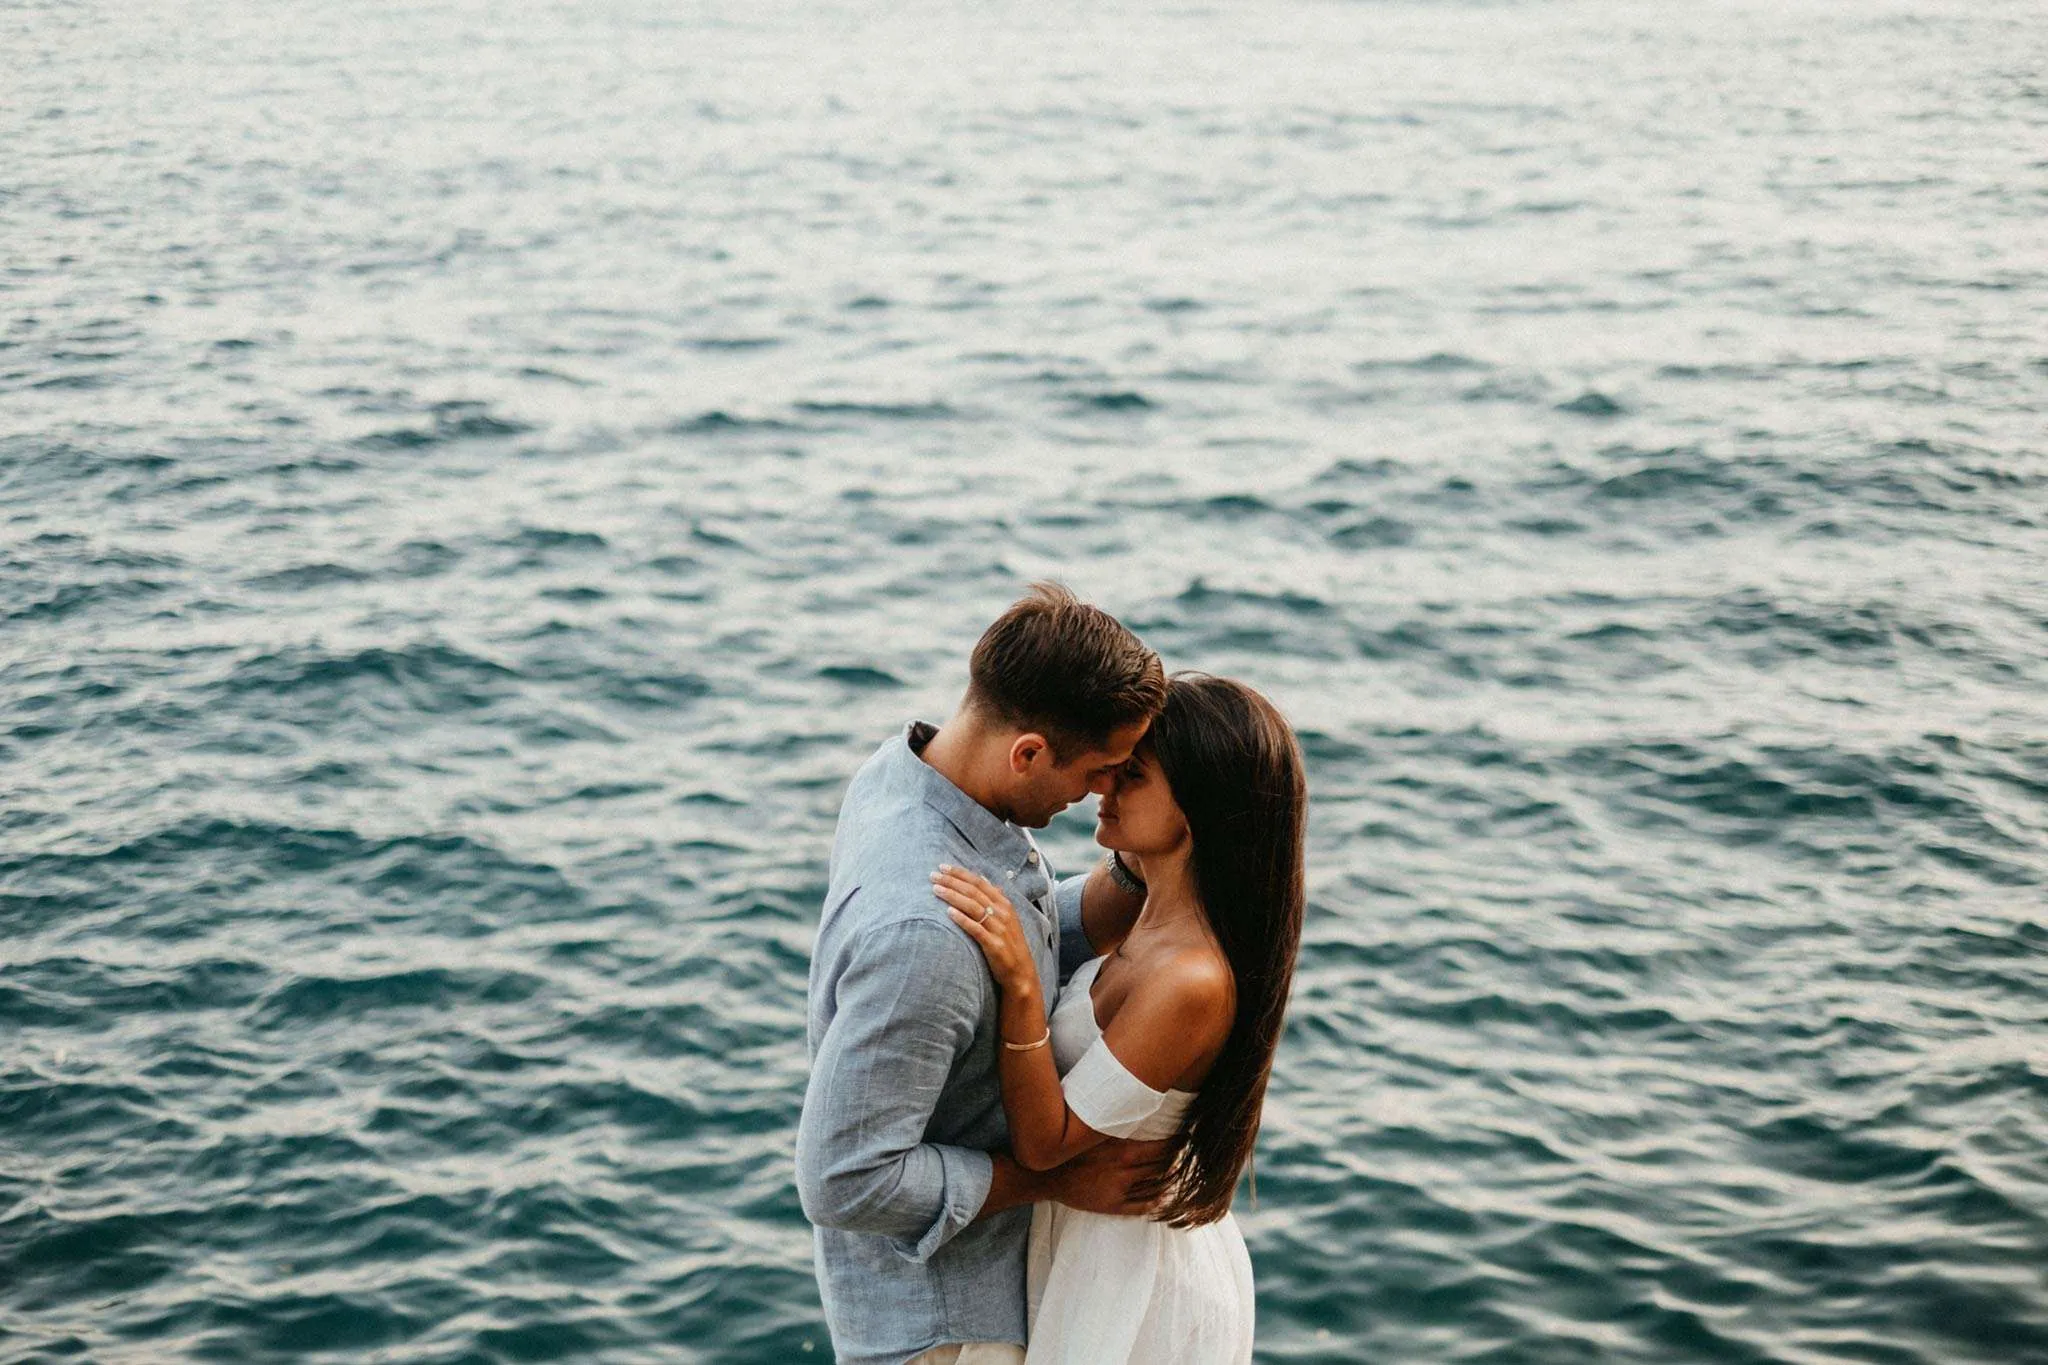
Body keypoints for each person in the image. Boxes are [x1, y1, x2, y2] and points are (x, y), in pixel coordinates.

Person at [796, 583, 1173, 1365]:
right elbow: (842, 1180)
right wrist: (1051, 1183)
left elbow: (1014, 942)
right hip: (948, 1330)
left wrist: (1147, 865)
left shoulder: (903, 774)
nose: (1101, 789)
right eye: (1100, 770)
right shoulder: (926, 936)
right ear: (1029, 752)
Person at [931, 674, 1307, 1363]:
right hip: (1085, 1251)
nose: (1103, 786)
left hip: (1138, 1284)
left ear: (1194, 811)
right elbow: (1094, 895)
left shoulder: (1190, 980)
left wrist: (1018, 983)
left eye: (1131, 774)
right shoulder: (1149, 910)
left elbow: (1047, 1145)